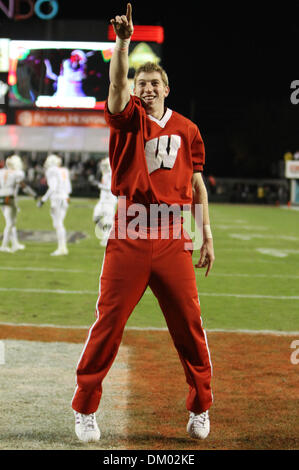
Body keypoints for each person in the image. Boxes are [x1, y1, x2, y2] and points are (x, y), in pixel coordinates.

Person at [71, 3, 215, 443]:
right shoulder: (126, 116)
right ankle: (85, 408)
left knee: (189, 327)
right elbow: (115, 83)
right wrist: (122, 42)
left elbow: (197, 184)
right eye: (141, 83)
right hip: (131, 232)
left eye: (154, 83)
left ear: (167, 89)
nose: (147, 88)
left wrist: (206, 233)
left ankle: (201, 406)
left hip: (173, 235)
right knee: (108, 324)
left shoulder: (188, 129)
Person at [0, 154, 37, 253]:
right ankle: (4, 245)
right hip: (10, 198)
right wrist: (34, 195)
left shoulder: (2, 172)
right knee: (10, 223)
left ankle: (14, 244)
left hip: (1, 198)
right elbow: (23, 187)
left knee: (10, 223)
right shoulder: (17, 173)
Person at [38, 154, 72, 256]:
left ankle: (61, 248)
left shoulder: (51, 170)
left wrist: (43, 200)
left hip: (57, 199)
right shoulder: (63, 170)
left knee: (58, 224)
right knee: (59, 224)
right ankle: (63, 248)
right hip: (64, 198)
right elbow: (68, 187)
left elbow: (52, 187)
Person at [91, 157, 117, 247]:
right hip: (102, 200)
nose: (103, 167)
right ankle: (105, 234)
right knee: (96, 217)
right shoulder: (105, 174)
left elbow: (110, 188)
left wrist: (98, 185)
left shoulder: (111, 174)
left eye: (105, 165)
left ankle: (107, 239)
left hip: (109, 201)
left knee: (108, 220)